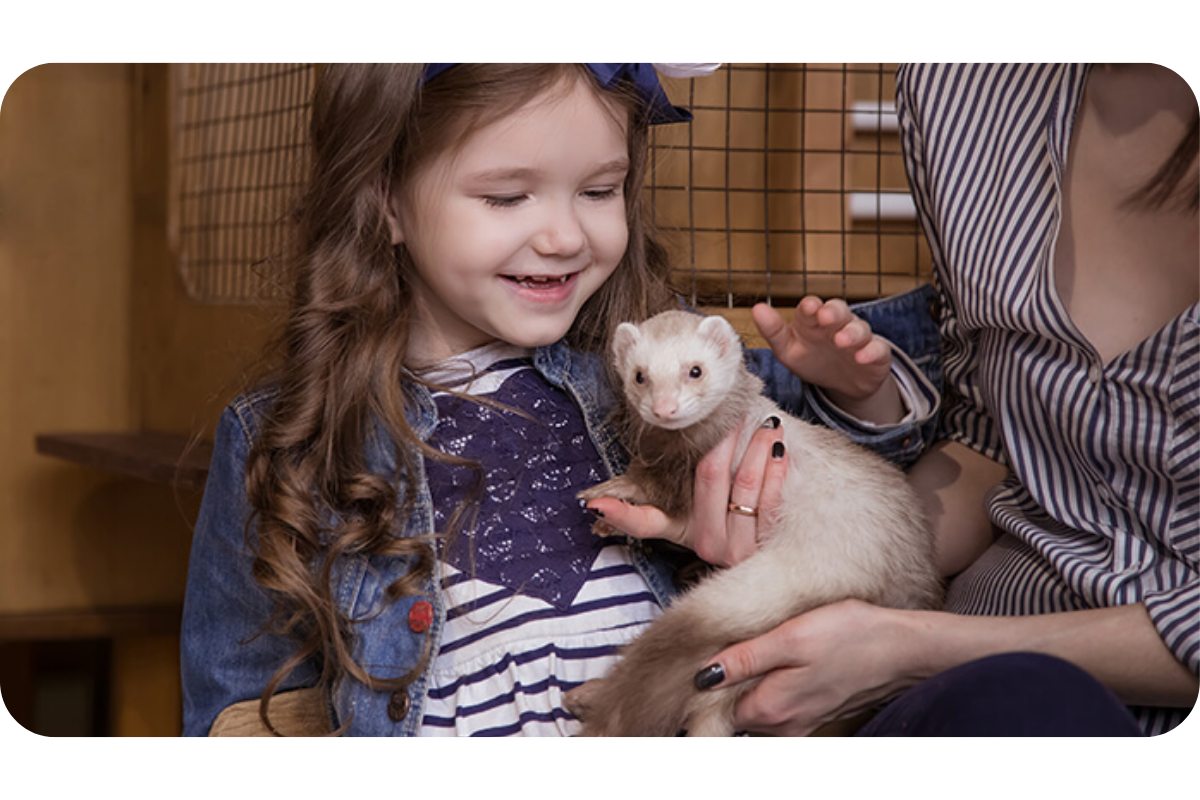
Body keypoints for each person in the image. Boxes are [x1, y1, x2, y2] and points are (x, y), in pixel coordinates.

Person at [179, 62, 940, 738]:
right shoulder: (284, 438)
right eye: (508, 196)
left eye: (600, 190)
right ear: (387, 203)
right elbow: (236, 702)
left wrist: (859, 396)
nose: (564, 236)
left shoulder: (646, 378)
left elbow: (854, 515)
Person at [681, 62, 1200, 738]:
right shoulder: (955, 85)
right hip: (958, 676)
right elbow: (991, 440)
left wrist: (905, 648)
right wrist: (829, 541)